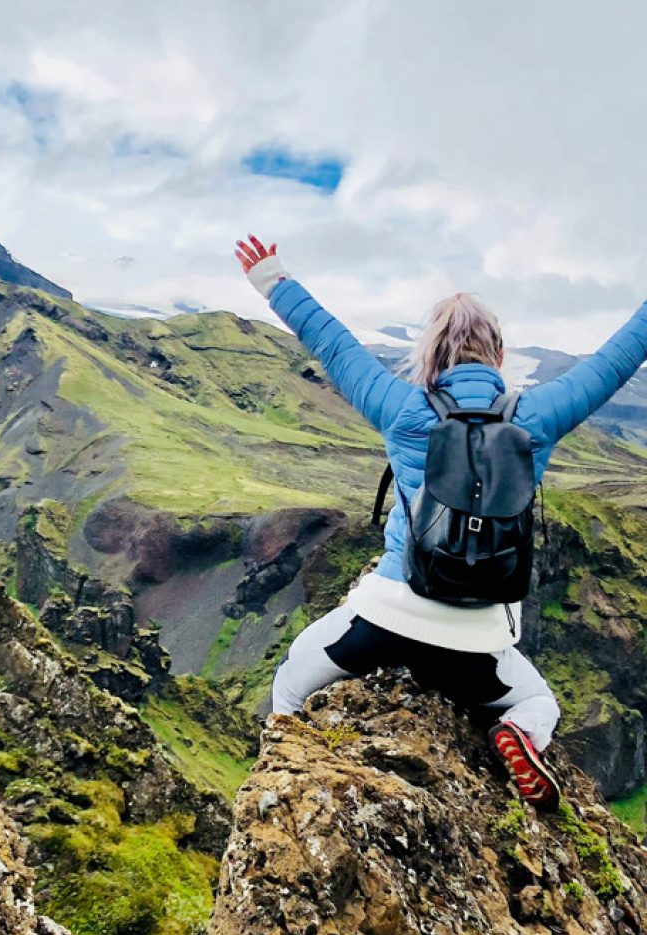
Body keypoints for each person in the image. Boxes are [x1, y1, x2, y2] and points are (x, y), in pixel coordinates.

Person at [236, 234, 647, 811]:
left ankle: (281, 792)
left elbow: (332, 344)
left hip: (385, 620)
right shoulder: (538, 416)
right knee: (539, 704)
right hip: (478, 644)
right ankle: (517, 736)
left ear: (429, 355)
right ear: (499, 357)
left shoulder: (401, 407)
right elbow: (618, 358)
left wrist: (274, 281)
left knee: (293, 680)